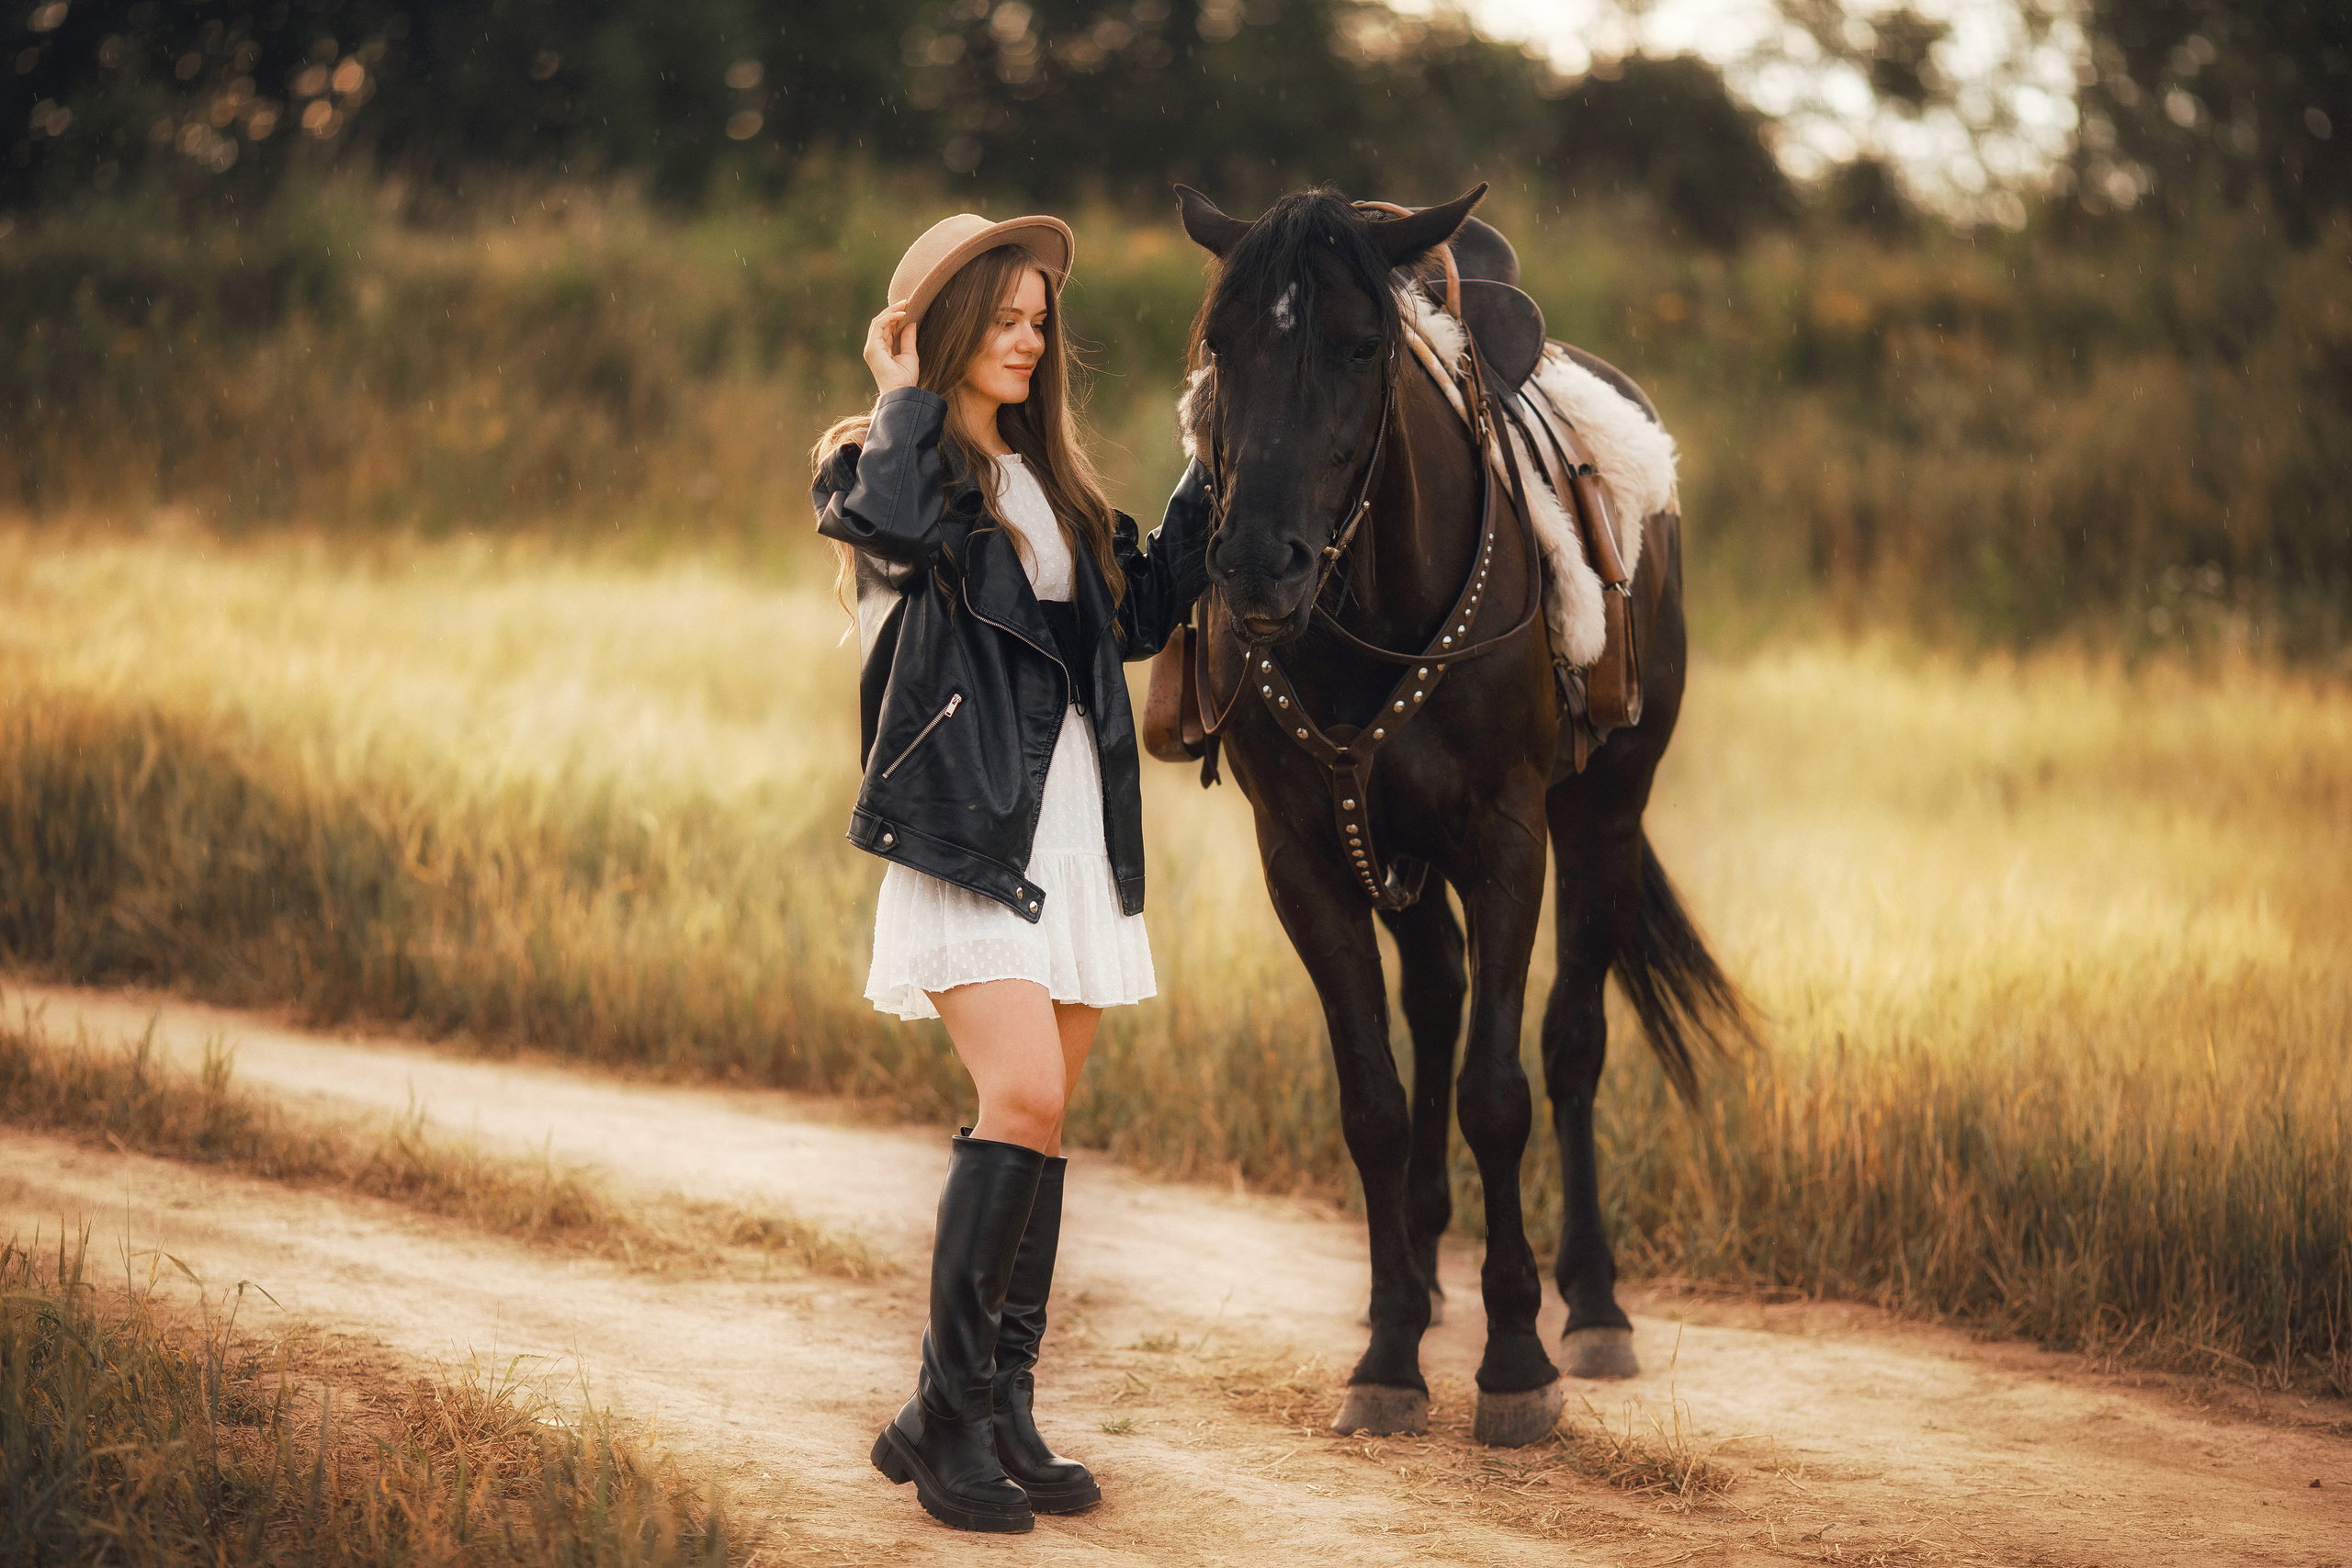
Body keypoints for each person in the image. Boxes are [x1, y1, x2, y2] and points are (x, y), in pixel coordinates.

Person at [810, 212, 1212, 1535]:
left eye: (1042, 316)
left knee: (1038, 1132)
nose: (1033, 336)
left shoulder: (1054, 488)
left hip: (1075, 840)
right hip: (966, 832)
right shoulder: (883, 466)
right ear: (946, 325)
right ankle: (940, 1416)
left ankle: (1000, 1405)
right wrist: (900, 395)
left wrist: (1222, 461)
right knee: (1021, 1094)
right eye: (1009, 314)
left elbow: (1142, 619)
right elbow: (894, 535)